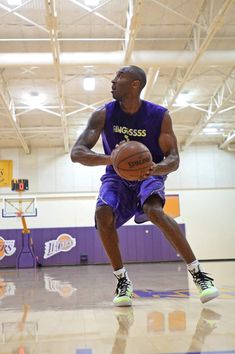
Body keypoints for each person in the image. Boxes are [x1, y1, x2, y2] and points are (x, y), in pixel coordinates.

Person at [71, 65, 219, 307]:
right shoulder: (103, 114)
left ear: (135, 84)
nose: (113, 81)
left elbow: (174, 159)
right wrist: (112, 159)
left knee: (154, 210)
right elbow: (77, 152)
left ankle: (198, 273)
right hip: (116, 176)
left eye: (119, 77)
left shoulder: (159, 115)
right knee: (102, 214)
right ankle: (122, 280)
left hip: (149, 172)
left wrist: (155, 168)